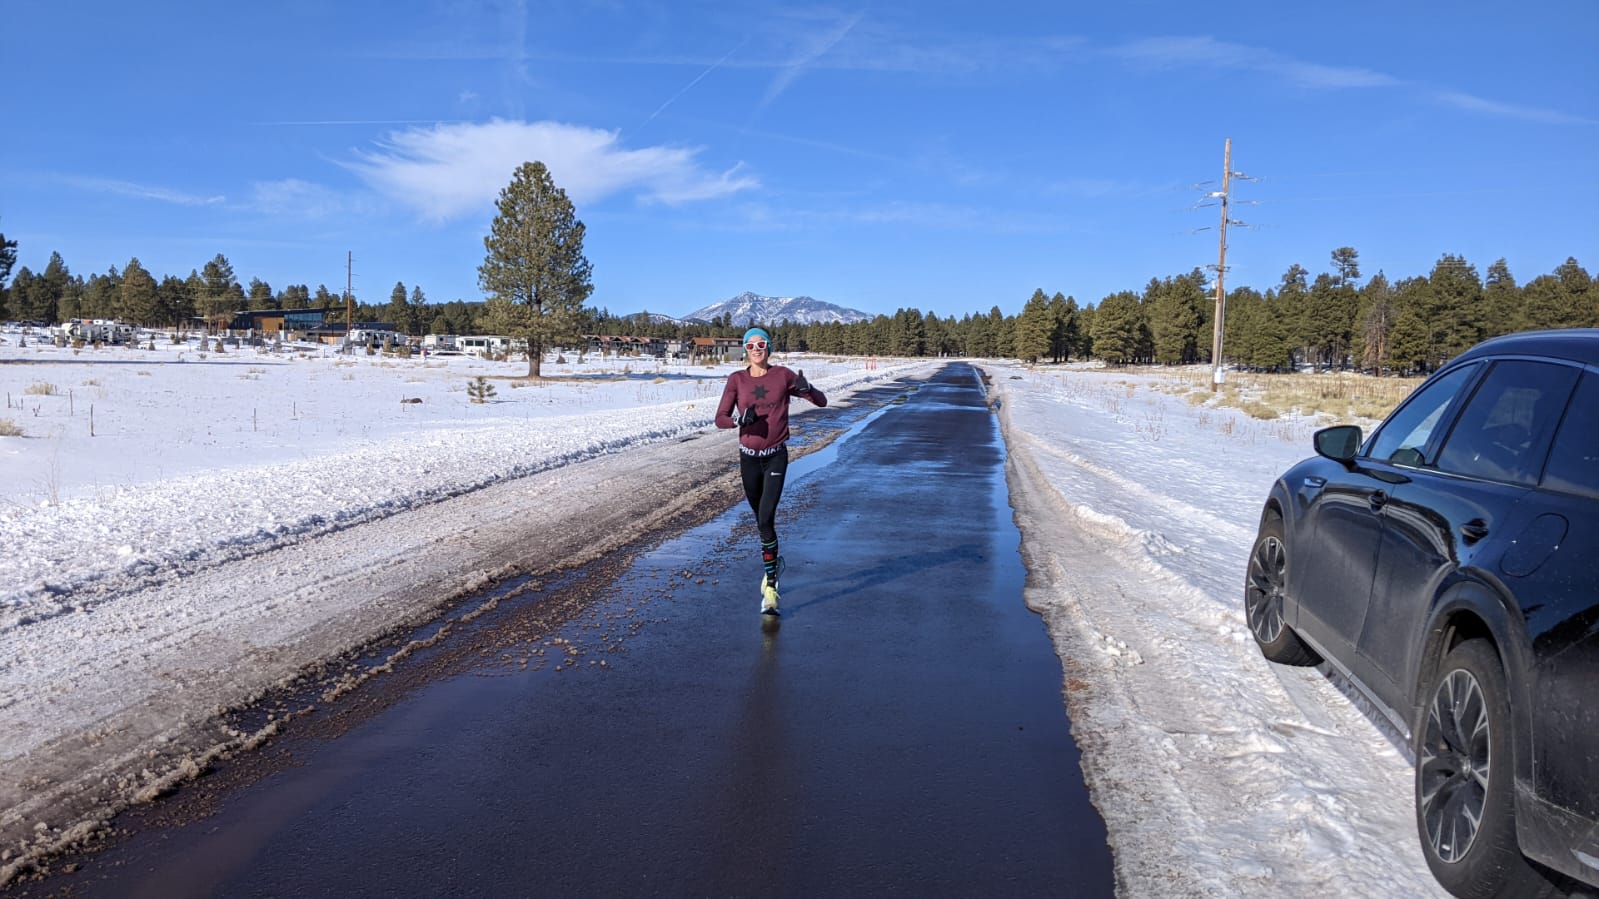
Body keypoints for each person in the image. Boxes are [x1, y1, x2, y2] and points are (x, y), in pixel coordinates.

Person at [715, 327, 827, 615]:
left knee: (765, 519)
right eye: (750, 345)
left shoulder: (783, 376)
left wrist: (808, 389)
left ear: (769, 347)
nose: (756, 349)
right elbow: (720, 418)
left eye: (761, 343)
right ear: (744, 350)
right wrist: (740, 420)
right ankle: (773, 560)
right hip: (748, 459)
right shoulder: (736, 380)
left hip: (776, 457)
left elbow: (821, 401)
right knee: (762, 522)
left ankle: (772, 589)